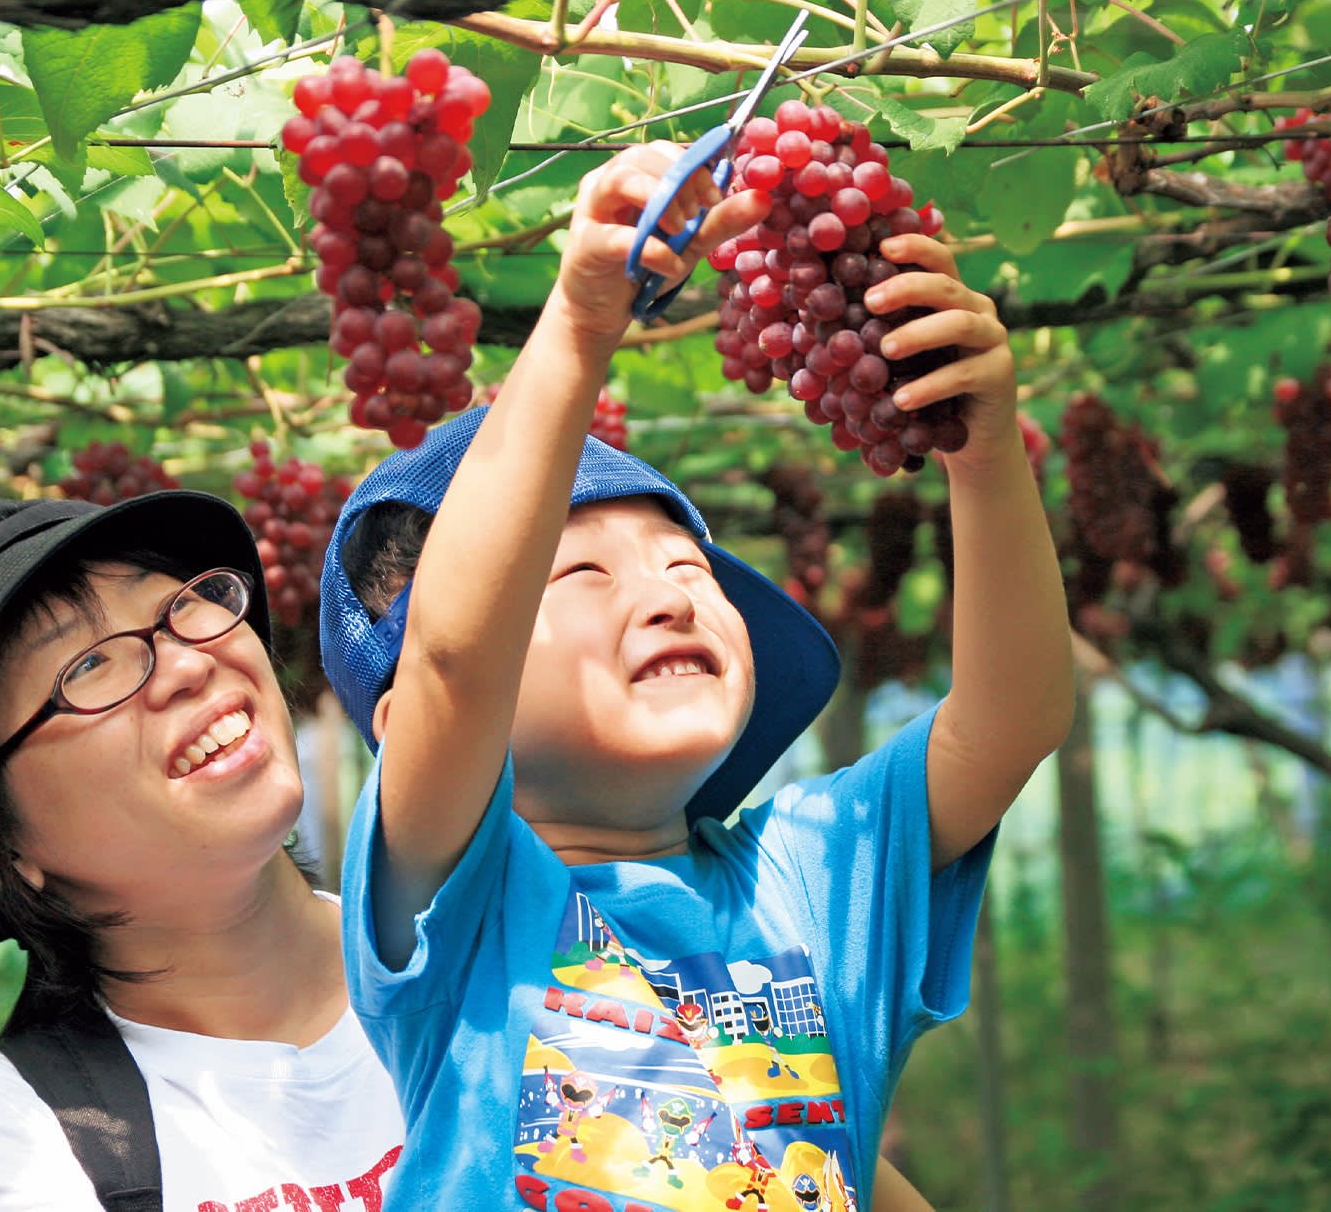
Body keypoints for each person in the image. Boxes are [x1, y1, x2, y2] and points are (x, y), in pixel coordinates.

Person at [318, 142, 1074, 1208]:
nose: (669, 594)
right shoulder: (459, 907)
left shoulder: (811, 876)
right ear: (403, 726)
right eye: (575, 570)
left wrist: (982, 456)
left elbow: (1007, 722)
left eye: (686, 565)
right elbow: (454, 654)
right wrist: (580, 322)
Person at [0, 492, 407, 1210]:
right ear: (2, 837)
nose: (185, 665)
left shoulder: (503, 944)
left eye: (179, 601)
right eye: (84, 667)